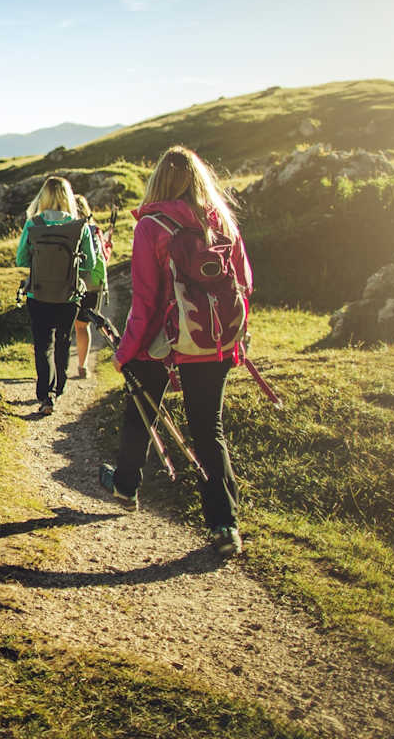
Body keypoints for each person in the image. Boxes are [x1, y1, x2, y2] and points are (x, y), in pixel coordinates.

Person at [99, 146, 253, 556]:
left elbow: (146, 302)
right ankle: (225, 525)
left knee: (141, 413)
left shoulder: (152, 225)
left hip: (162, 343)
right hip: (215, 342)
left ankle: (127, 487)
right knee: (208, 430)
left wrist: (126, 351)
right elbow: (245, 284)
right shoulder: (221, 221)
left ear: (158, 182)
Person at [15, 176, 104, 416]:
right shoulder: (80, 226)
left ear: (42, 197)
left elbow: (21, 259)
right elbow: (90, 264)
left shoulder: (33, 224)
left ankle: (45, 395)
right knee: (63, 341)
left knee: (43, 345)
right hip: (69, 297)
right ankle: (59, 389)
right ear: (68, 197)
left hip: (38, 293)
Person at [72, 194, 110, 379]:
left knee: (64, 326)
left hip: (73, 281)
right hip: (93, 283)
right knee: (82, 325)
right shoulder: (96, 230)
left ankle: (58, 368)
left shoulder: (71, 229)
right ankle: (82, 365)